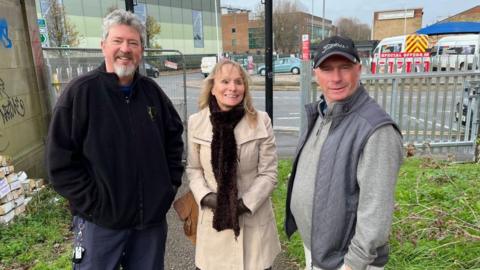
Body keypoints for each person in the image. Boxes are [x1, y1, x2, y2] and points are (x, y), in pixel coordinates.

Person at [46, 9, 184, 270]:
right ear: (103, 46)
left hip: (148, 226)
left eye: (133, 42)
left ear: (141, 49)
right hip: (100, 225)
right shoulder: (80, 94)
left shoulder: (152, 94)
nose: (125, 49)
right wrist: (95, 205)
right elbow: (59, 163)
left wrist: (167, 187)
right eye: (117, 41)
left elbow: (174, 140)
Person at [285, 36, 403, 270]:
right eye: (327, 69)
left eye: (344, 68)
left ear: (358, 69)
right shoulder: (323, 112)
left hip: (347, 261)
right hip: (320, 249)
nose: (336, 78)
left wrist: (353, 264)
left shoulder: (376, 129)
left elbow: (376, 210)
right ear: (316, 73)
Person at [186, 59, 281, 270]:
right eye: (225, 81)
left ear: (245, 87)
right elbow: (193, 169)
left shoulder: (261, 121)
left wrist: (242, 205)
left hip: (253, 226)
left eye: (239, 82)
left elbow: (269, 173)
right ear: (212, 88)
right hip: (213, 226)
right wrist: (207, 198)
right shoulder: (196, 122)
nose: (232, 88)